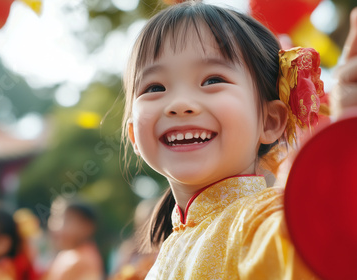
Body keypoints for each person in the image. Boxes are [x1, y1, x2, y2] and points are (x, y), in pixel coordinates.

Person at [121, 1, 357, 279]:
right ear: (135, 134)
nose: (180, 104)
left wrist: (346, 140)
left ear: (270, 122)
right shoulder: (165, 254)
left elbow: (323, 245)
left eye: (212, 80)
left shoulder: (262, 223)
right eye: (155, 87)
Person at [44, 198, 104, 280]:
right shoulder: (67, 255)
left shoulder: (80, 261)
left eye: (67, 220)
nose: (55, 227)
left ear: (87, 226)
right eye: (54, 218)